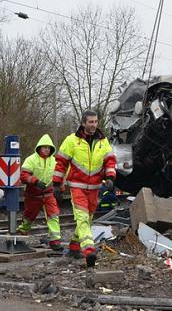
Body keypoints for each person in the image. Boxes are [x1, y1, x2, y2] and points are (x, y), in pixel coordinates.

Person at [53, 110, 117, 268]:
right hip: (77, 186)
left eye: (95, 122)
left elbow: (110, 160)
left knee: (87, 220)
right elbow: (61, 162)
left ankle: (74, 248)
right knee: (82, 219)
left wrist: (110, 177)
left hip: (95, 187)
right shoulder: (71, 140)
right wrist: (56, 184)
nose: (94, 125)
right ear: (83, 123)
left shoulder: (103, 141)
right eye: (91, 122)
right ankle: (89, 251)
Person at [19, 135, 62, 250]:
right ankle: (21, 233)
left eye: (49, 147)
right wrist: (35, 181)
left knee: (53, 215)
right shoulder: (31, 159)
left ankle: (55, 241)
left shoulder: (54, 161)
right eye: (45, 147)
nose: (47, 149)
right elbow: (23, 176)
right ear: (39, 148)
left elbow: (60, 176)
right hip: (33, 194)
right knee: (29, 216)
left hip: (48, 194)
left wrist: (60, 189)